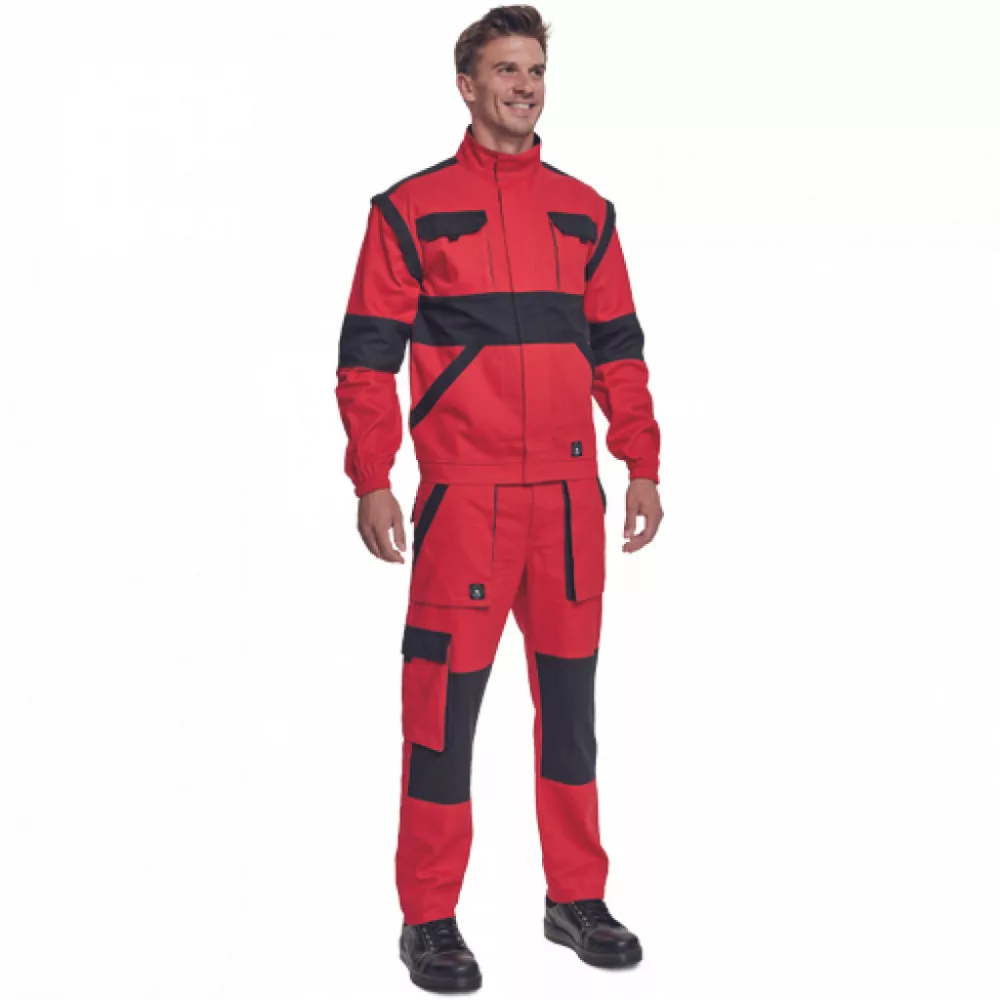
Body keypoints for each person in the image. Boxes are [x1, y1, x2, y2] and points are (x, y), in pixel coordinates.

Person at [335, 6, 662, 993]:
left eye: (534, 70)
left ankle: (577, 897)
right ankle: (428, 917)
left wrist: (641, 463)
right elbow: (366, 360)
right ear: (467, 85)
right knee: (441, 719)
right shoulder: (409, 210)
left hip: (567, 505)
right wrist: (372, 477)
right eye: (505, 69)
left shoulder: (585, 211)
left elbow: (620, 351)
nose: (524, 85)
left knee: (570, 716)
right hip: (464, 505)